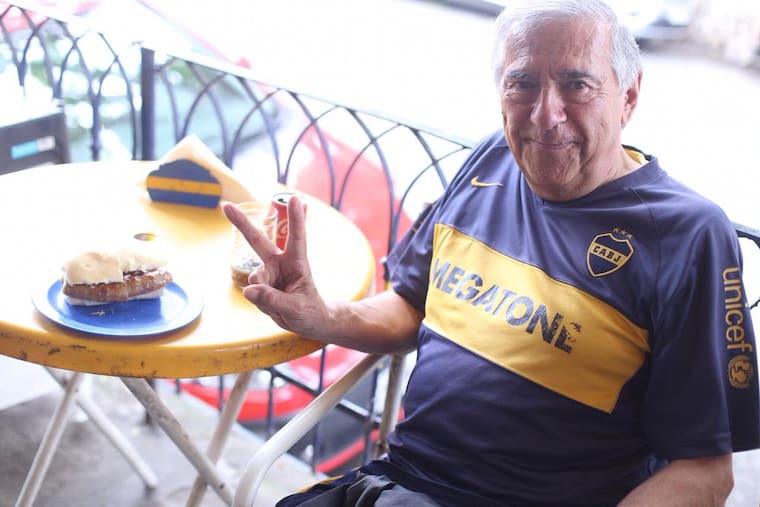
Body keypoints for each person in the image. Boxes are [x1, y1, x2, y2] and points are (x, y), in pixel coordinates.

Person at [223, 0, 760, 505]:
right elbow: (411, 304)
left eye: (577, 84)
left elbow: (704, 472)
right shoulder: (492, 159)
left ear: (629, 97)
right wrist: (325, 316)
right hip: (401, 484)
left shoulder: (686, 234)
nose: (545, 115)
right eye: (522, 83)